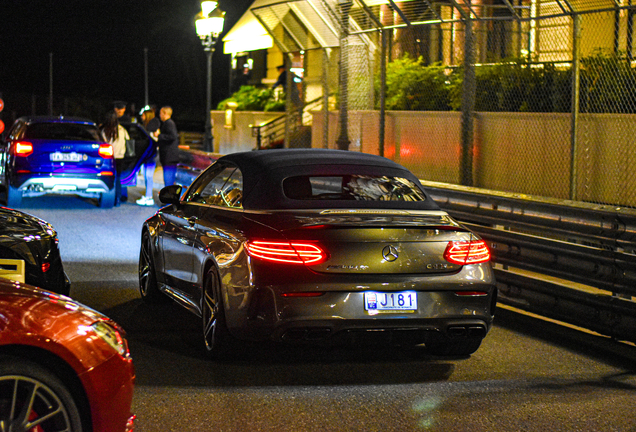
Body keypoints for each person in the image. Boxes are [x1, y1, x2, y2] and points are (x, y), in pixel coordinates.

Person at [100, 111, 130, 207]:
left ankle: (109, 198)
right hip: (120, 157)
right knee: (118, 179)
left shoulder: (104, 131)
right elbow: (128, 141)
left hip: (109, 158)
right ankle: (118, 199)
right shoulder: (122, 130)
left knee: (109, 178)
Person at [136, 105, 160, 206]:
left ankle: (149, 197)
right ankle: (147, 195)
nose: (141, 117)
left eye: (143, 115)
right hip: (148, 155)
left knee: (148, 176)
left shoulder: (154, 128)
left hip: (152, 155)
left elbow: (157, 140)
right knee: (146, 175)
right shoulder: (146, 127)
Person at [155, 106, 179, 187]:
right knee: (169, 180)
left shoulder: (169, 123)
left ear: (165, 113)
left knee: (168, 181)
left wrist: (159, 135)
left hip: (169, 158)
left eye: (160, 113)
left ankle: (169, 198)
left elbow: (172, 136)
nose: (159, 115)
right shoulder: (169, 123)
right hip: (170, 158)